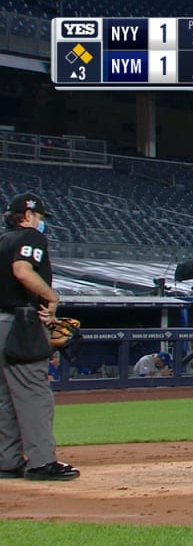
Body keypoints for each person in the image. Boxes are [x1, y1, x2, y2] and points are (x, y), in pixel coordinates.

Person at [0, 192, 80, 481]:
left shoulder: (2, 240)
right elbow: (22, 271)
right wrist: (50, 297)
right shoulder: (29, 237)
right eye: (39, 217)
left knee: (5, 396)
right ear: (28, 215)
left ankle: (6, 461)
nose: (41, 222)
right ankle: (41, 461)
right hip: (20, 322)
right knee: (34, 392)